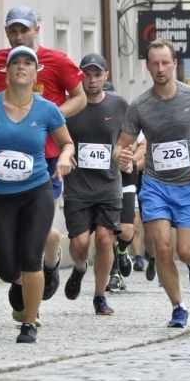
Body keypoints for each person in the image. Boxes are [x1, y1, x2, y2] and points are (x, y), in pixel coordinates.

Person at [113, 39, 190, 329]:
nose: (160, 68)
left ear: (174, 64)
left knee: (185, 251)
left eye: (165, 62)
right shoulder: (140, 106)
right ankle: (178, 307)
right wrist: (120, 157)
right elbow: (121, 146)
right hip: (155, 186)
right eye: (154, 63)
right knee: (161, 249)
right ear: (148, 67)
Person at [0, 46, 74, 342]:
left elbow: (66, 143)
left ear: (36, 73)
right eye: (16, 62)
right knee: (6, 269)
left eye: (28, 63)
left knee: (30, 257)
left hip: (36, 191)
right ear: (7, 71)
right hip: (0, 194)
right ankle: (22, 282)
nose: (22, 67)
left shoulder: (47, 110)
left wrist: (65, 157)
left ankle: (29, 323)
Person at [0, 6, 87, 305]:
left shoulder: (57, 60)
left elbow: (80, 98)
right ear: (5, 32)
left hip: (47, 158)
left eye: (24, 30)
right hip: (6, 159)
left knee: (35, 229)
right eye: (13, 31)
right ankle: (25, 277)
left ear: (36, 30)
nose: (19, 37)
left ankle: (47, 266)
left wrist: (46, 118)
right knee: (26, 230)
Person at [60, 54, 128, 314]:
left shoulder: (119, 105)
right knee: (79, 244)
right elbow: (57, 138)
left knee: (104, 240)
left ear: (105, 76)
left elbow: (128, 137)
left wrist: (127, 156)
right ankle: (79, 268)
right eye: (86, 75)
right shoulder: (68, 107)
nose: (91, 80)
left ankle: (100, 296)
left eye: (97, 74)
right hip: (77, 187)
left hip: (109, 185)